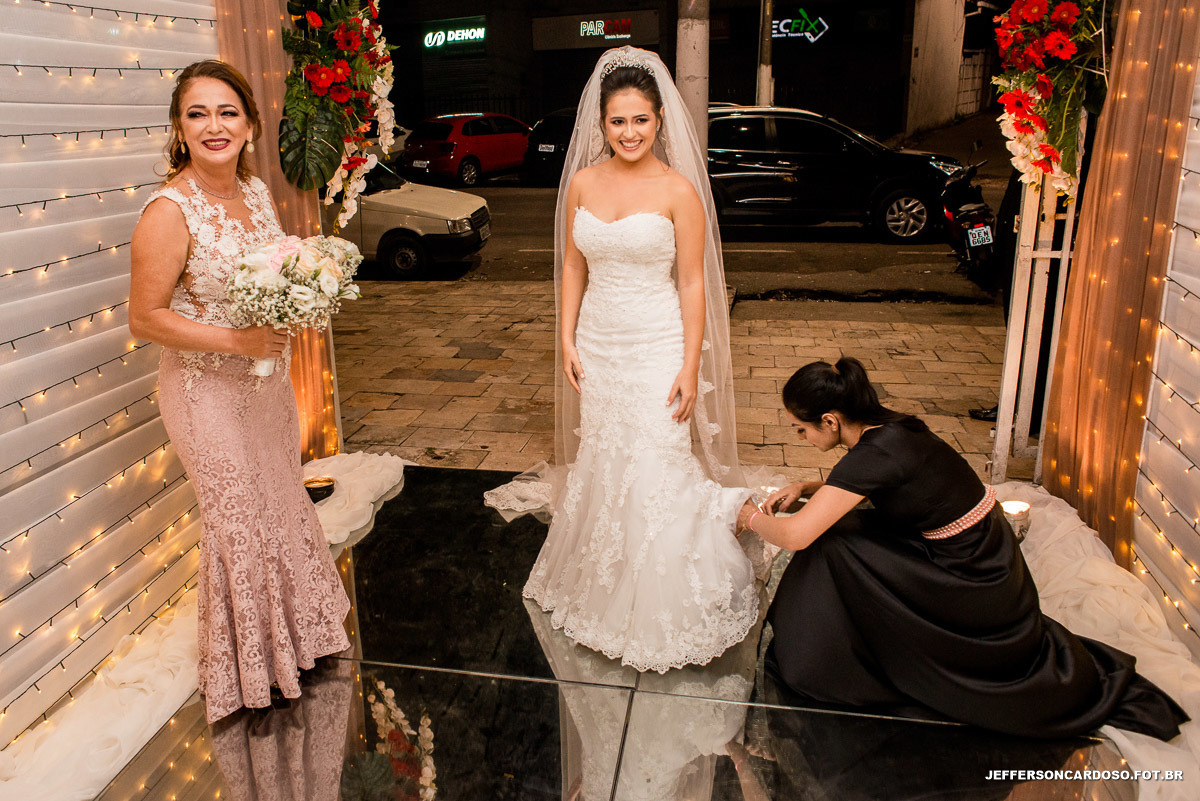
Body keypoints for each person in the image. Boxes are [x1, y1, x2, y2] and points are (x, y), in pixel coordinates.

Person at [734, 357, 1188, 740]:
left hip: (971, 581)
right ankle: (840, 639)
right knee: (843, 530)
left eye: (801, 430)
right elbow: (875, 485)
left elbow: (796, 536)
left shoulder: (875, 454)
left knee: (830, 545)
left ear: (831, 420)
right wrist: (808, 488)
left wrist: (749, 518)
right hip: (987, 555)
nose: (801, 439)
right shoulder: (891, 429)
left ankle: (823, 662)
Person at [489, 47, 762, 673]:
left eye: (640, 119)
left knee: (657, 457)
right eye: (618, 121)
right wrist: (566, 337)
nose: (629, 132)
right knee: (606, 455)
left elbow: (692, 283)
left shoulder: (679, 191)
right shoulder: (583, 183)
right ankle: (604, 578)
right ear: (602, 124)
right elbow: (572, 266)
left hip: (657, 341)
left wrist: (689, 364)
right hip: (599, 342)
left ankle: (665, 594)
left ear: (660, 119)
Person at [129, 60, 350, 723]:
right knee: (238, 521)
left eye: (227, 112)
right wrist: (238, 342)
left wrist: (299, 297)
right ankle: (253, 669)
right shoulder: (169, 211)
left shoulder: (255, 192)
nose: (214, 126)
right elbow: (145, 318)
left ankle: (298, 641)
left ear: (250, 124)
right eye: (197, 114)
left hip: (265, 387)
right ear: (179, 129)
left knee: (279, 501)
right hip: (205, 395)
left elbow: (272, 275)